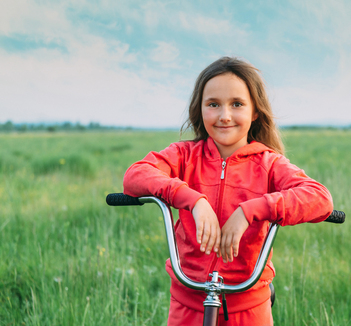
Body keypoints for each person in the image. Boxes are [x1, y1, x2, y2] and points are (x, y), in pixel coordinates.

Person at [123, 56, 333, 325]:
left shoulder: (269, 163)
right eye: (213, 104)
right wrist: (192, 200)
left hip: (248, 304)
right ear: (200, 110)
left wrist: (252, 210)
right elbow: (136, 175)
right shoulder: (184, 155)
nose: (224, 116)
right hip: (188, 302)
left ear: (255, 111)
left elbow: (319, 197)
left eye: (237, 104)